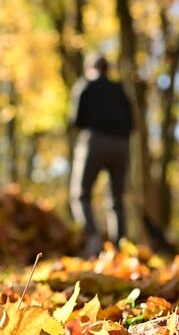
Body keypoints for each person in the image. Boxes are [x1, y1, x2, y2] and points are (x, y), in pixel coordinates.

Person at [69, 56, 134, 257]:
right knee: (116, 198)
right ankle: (118, 246)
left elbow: (76, 120)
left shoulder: (85, 86)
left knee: (80, 194)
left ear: (91, 69)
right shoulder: (120, 89)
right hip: (122, 145)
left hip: (94, 140)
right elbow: (133, 124)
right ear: (107, 69)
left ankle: (93, 239)